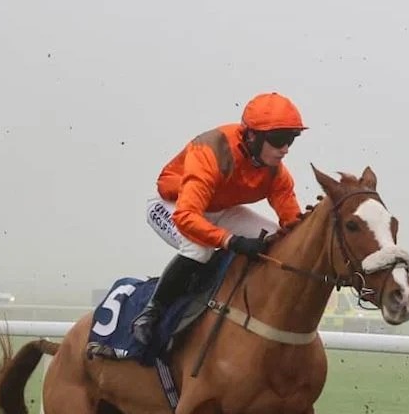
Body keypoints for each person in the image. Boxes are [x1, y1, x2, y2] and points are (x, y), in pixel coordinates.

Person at [130, 91, 308, 347]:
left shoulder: (276, 173)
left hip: (219, 207)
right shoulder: (211, 152)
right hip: (173, 204)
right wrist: (231, 241)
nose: (285, 149)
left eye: (292, 139)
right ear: (251, 135)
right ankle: (151, 313)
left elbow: (291, 224)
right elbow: (187, 216)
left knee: (275, 242)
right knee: (199, 249)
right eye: (279, 139)